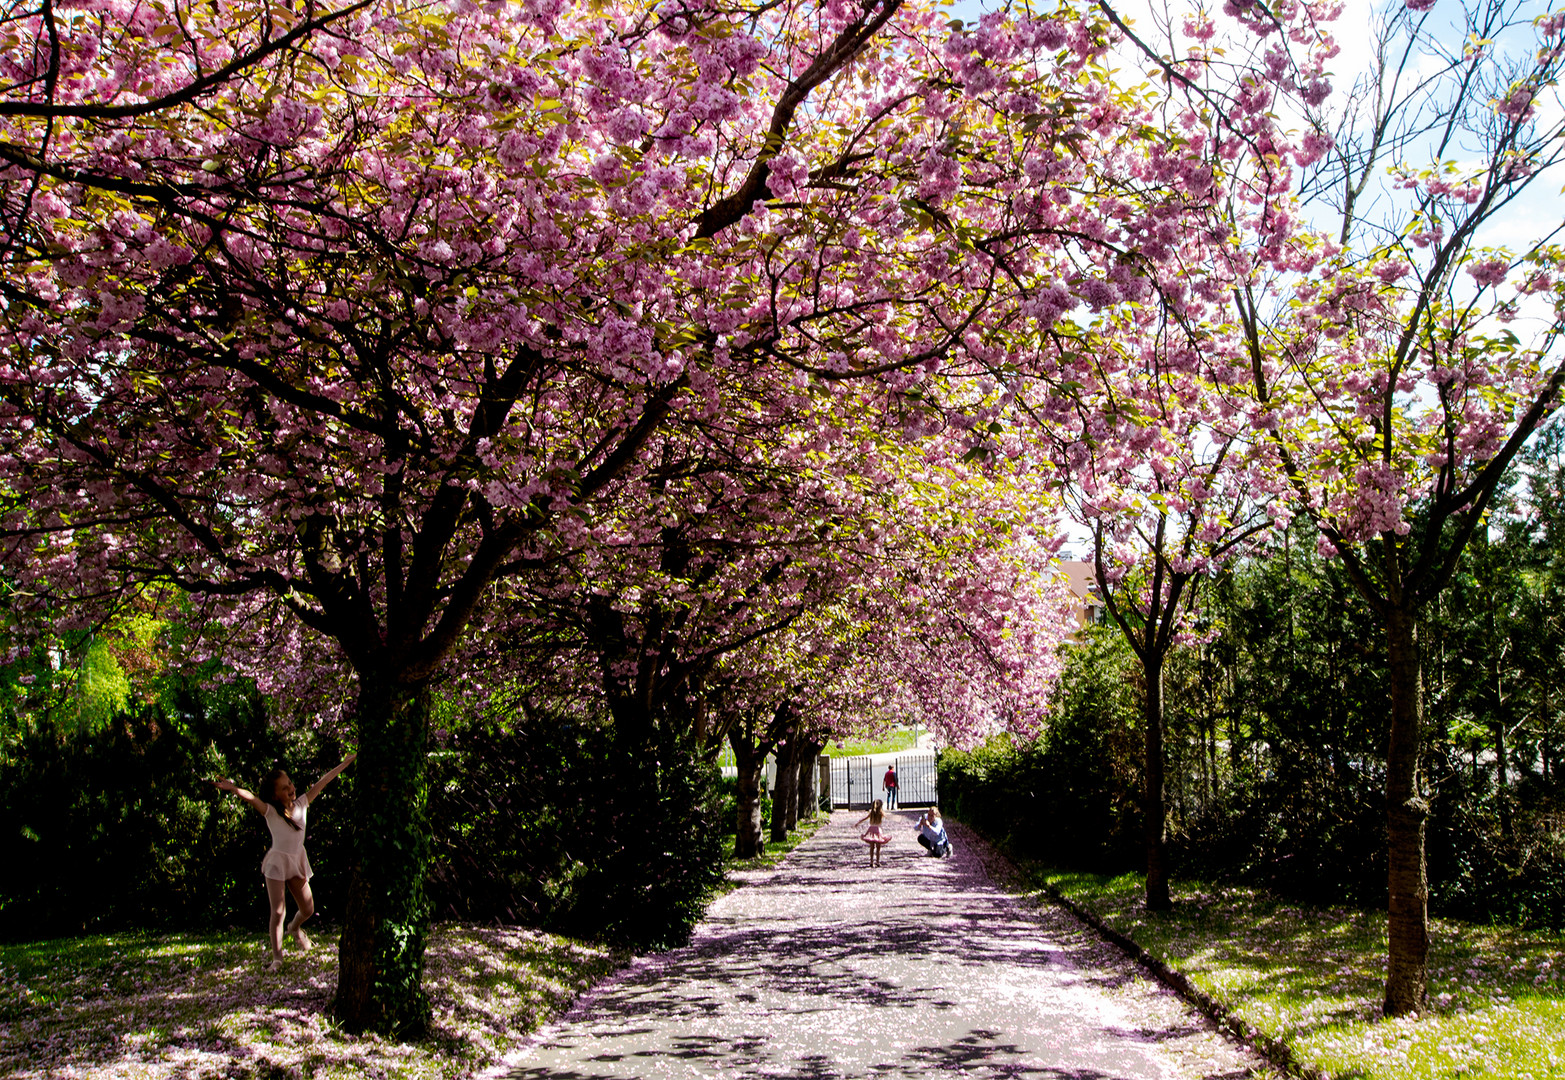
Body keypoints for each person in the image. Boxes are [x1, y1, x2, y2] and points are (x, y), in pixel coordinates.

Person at [212, 752, 357, 969]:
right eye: (283, 787)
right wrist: (233, 788)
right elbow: (251, 797)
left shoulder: (302, 803)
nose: (290, 788)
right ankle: (277, 958)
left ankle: (295, 928)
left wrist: (344, 763)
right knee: (278, 911)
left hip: (296, 861)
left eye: (289, 783)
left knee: (308, 909)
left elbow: (323, 781)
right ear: (274, 795)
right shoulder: (271, 812)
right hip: (277, 864)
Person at [856, 798, 891, 867]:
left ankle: (871, 861)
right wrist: (897, 818)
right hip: (878, 830)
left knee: (872, 847)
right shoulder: (881, 812)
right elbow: (888, 817)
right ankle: (877, 861)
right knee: (878, 847)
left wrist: (857, 823)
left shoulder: (872, 812)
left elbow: (864, 818)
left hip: (871, 829)